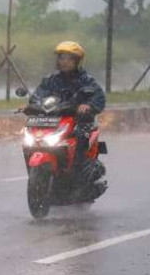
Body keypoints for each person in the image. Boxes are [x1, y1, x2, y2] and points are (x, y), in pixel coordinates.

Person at [29, 41, 106, 176]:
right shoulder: (50, 80)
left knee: (81, 136)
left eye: (68, 58)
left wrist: (88, 105)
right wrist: (34, 104)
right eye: (61, 57)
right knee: (32, 135)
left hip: (80, 121)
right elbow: (38, 95)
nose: (63, 61)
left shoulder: (87, 80)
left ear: (77, 61)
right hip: (55, 120)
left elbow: (99, 97)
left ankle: (77, 174)